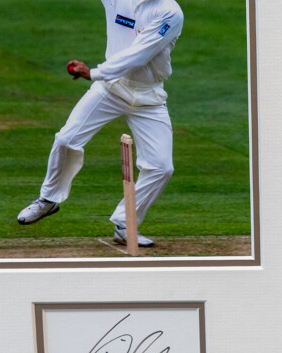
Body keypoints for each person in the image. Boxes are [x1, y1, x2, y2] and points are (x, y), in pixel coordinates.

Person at [16, 0, 185, 248]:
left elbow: (140, 53)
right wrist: (101, 76)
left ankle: (125, 222)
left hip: (149, 96)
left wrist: (94, 73)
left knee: (161, 167)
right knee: (66, 139)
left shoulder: (170, 12)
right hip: (111, 88)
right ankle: (48, 200)